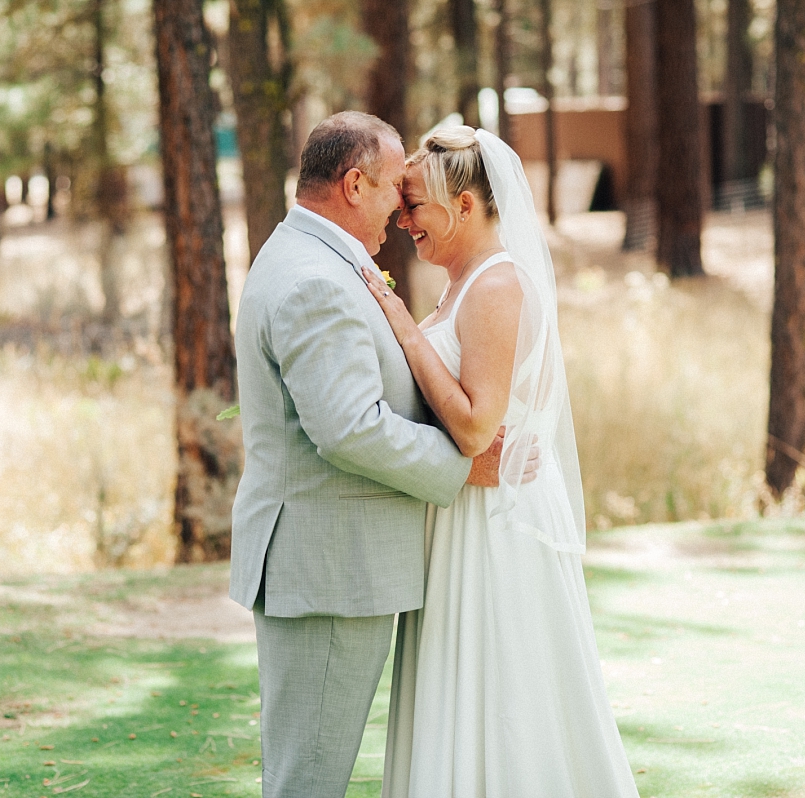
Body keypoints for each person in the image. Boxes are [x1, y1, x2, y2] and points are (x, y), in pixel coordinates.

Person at [228, 112, 533, 798]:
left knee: (305, 773)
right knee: (307, 780)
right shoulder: (315, 279)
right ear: (355, 183)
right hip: (328, 567)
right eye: (397, 185)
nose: (402, 205)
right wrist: (460, 468)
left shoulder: (311, 259)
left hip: (330, 564)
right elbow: (351, 429)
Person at [362, 126, 641, 797]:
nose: (404, 221)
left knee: (506, 698)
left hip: (497, 525)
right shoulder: (460, 286)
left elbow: (475, 424)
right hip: (462, 515)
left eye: (415, 206)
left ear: (463, 207)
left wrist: (400, 323)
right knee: (463, 692)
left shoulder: (496, 286)